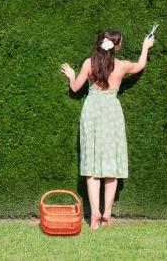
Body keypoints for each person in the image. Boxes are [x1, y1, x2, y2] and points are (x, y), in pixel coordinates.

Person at [60, 29, 154, 230]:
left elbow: (75, 88)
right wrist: (145, 47)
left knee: (92, 162)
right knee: (111, 164)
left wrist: (71, 76)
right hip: (111, 114)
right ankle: (107, 213)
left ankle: (94, 214)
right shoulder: (120, 66)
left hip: (92, 113)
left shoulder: (89, 63)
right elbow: (140, 66)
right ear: (116, 46)